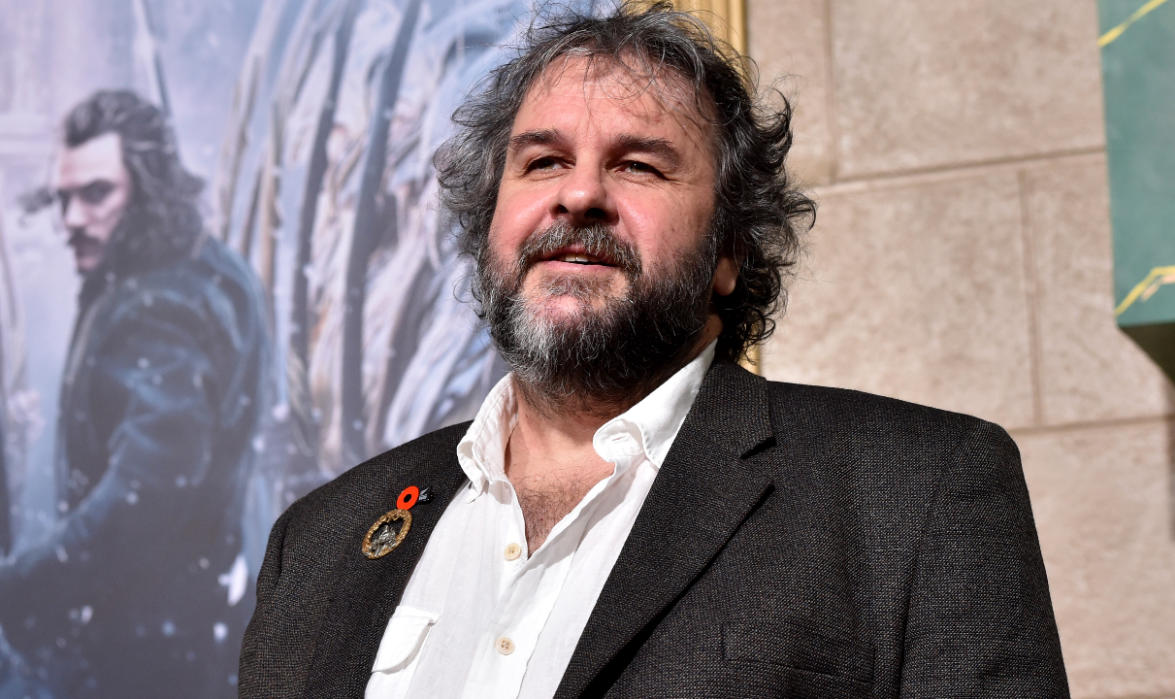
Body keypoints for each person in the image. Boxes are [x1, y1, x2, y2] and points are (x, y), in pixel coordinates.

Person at [241, 3, 1070, 697]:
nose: (579, 193)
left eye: (638, 165)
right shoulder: (316, 544)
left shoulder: (920, 493)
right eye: (542, 161)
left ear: (730, 251)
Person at [0, 89, 270, 697]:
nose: (72, 219)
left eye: (97, 194)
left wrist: (23, 588)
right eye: (64, 198)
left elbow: (145, 496)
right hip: (194, 630)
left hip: (142, 651)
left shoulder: (155, 305)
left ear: (148, 190)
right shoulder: (213, 269)